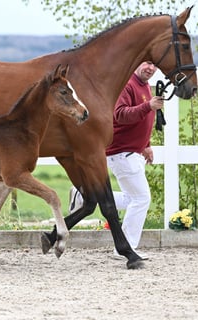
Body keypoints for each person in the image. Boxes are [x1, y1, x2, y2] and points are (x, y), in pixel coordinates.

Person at [69, 61, 164, 260]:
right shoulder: (127, 85)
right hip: (123, 153)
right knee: (142, 198)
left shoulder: (143, 85)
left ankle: (83, 195)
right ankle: (125, 248)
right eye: (147, 63)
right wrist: (148, 106)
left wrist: (146, 144)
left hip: (132, 152)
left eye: (154, 65)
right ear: (137, 62)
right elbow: (119, 115)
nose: (151, 68)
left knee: (132, 199)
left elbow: (143, 121)